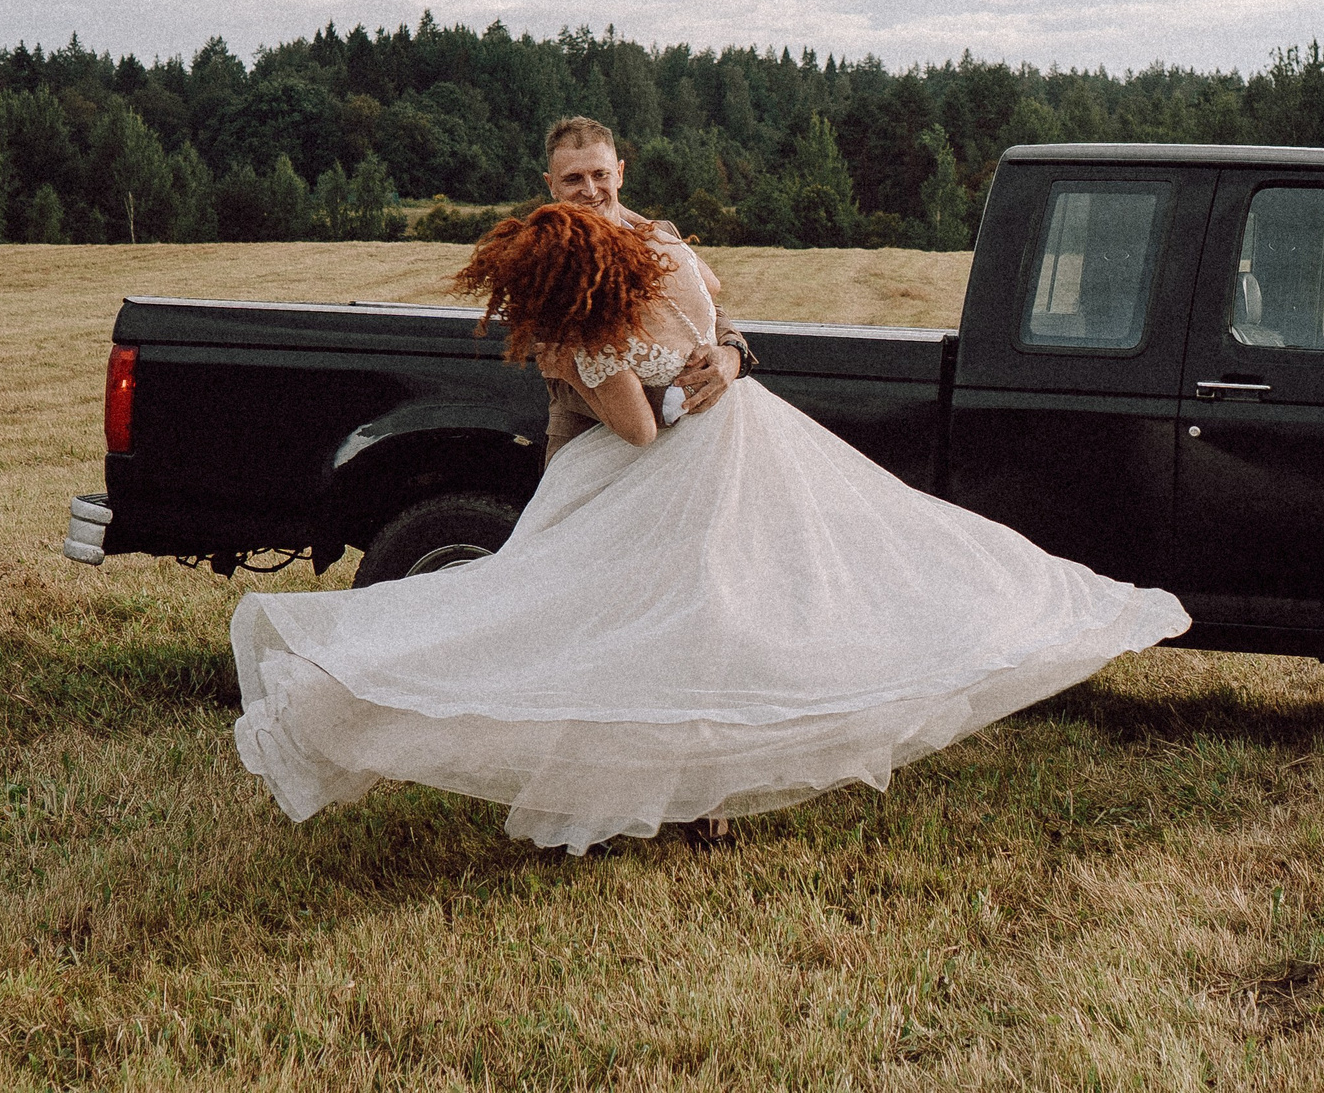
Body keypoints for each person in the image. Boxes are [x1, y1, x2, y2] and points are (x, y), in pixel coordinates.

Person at [230, 201, 1190, 854]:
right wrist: (714, 357)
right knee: (764, 597)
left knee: (554, 610)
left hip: (663, 464)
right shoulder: (679, 261)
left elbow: (642, 429)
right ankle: (681, 798)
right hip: (747, 438)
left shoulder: (584, 337)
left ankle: (392, 696)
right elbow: (714, 313)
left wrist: (575, 372)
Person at [533, 115, 754, 462]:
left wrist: (732, 353)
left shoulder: (661, 232)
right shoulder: (539, 264)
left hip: (695, 438)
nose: (589, 191)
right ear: (551, 184)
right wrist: (663, 404)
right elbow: (558, 368)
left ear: (619, 173)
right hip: (591, 442)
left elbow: (706, 307)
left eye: (600, 174)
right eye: (573, 178)